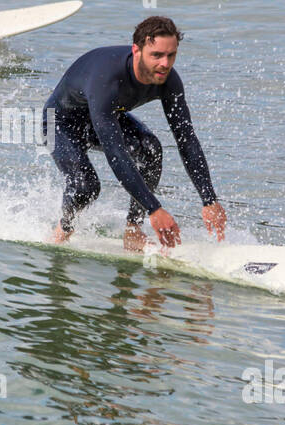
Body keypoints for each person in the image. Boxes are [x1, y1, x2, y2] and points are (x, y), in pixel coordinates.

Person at [44, 15, 227, 251]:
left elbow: (186, 139)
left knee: (150, 150)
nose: (165, 63)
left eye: (171, 55)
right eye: (157, 55)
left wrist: (209, 200)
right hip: (58, 124)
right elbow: (115, 153)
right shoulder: (107, 80)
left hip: (103, 118)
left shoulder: (168, 81)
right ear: (137, 50)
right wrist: (154, 209)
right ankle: (63, 230)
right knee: (86, 186)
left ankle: (132, 231)